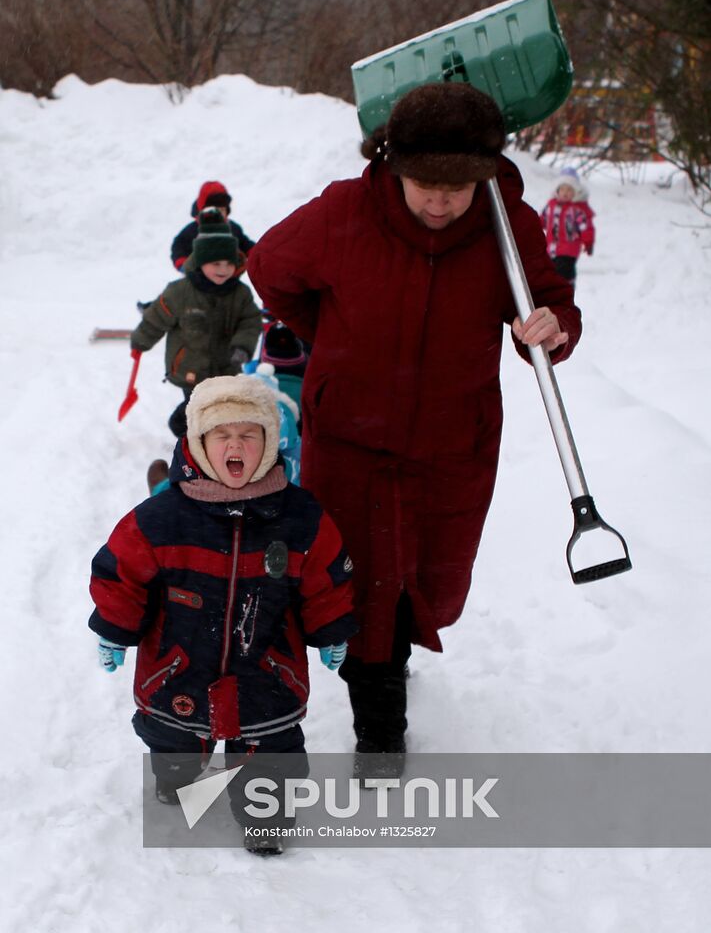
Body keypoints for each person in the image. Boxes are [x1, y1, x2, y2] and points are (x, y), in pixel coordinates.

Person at [248, 81, 582, 773]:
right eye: (425, 184)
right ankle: (380, 732)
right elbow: (269, 269)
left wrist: (550, 328)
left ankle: (390, 653)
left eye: (457, 188)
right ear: (391, 164)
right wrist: (328, 338)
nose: (439, 201)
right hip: (351, 437)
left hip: (452, 442)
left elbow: (547, 302)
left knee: (431, 578)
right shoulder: (344, 211)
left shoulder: (505, 221)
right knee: (357, 580)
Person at [89, 374, 357, 854]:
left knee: (270, 755)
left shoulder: (300, 519)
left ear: (269, 443)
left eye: (249, 435)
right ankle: (176, 778)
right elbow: (120, 574)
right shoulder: (161, 518)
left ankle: (266, 821)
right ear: (199, 443)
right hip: (177, 666)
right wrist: (113, 629)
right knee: (173, 743)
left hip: (268, 668)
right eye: (222, 435)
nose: (236, 445)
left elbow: (327, 580)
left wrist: (332, 629)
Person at [131, 208, 263, 437]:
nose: (223, 270)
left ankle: (210, 438)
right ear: (201, 262)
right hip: (190, 368)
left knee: (219, 408)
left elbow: (250, 321)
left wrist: (243, 346)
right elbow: (156, 318)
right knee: (196, 407)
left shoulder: (240, 293)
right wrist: (140, 341)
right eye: (216, 264)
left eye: (229, 264)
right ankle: (188, 434)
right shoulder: (180, 292)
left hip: (226, 366)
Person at [171, 180, 255, 273]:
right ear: (202, 211)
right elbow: (179, 247)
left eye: (222, 210)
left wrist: (255, 252)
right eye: (213, 210)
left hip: (228, 275)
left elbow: (245, 243)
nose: (218, 214)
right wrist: (183, 264)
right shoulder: (192, 231)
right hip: (199, 277)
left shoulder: (233, 228)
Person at [539, 167, 595, 288]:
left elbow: (585, 227)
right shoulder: (551, 206)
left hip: (569, 248)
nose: (565, 193)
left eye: (569, 190)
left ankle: (567, 287)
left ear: (576, 193)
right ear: (557, 190)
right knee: (552, 271)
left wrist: (588, 242)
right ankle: (558, 289)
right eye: (562, 189)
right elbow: (542, 220)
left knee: (564, 270)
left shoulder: (577, 209)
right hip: (551, 248)